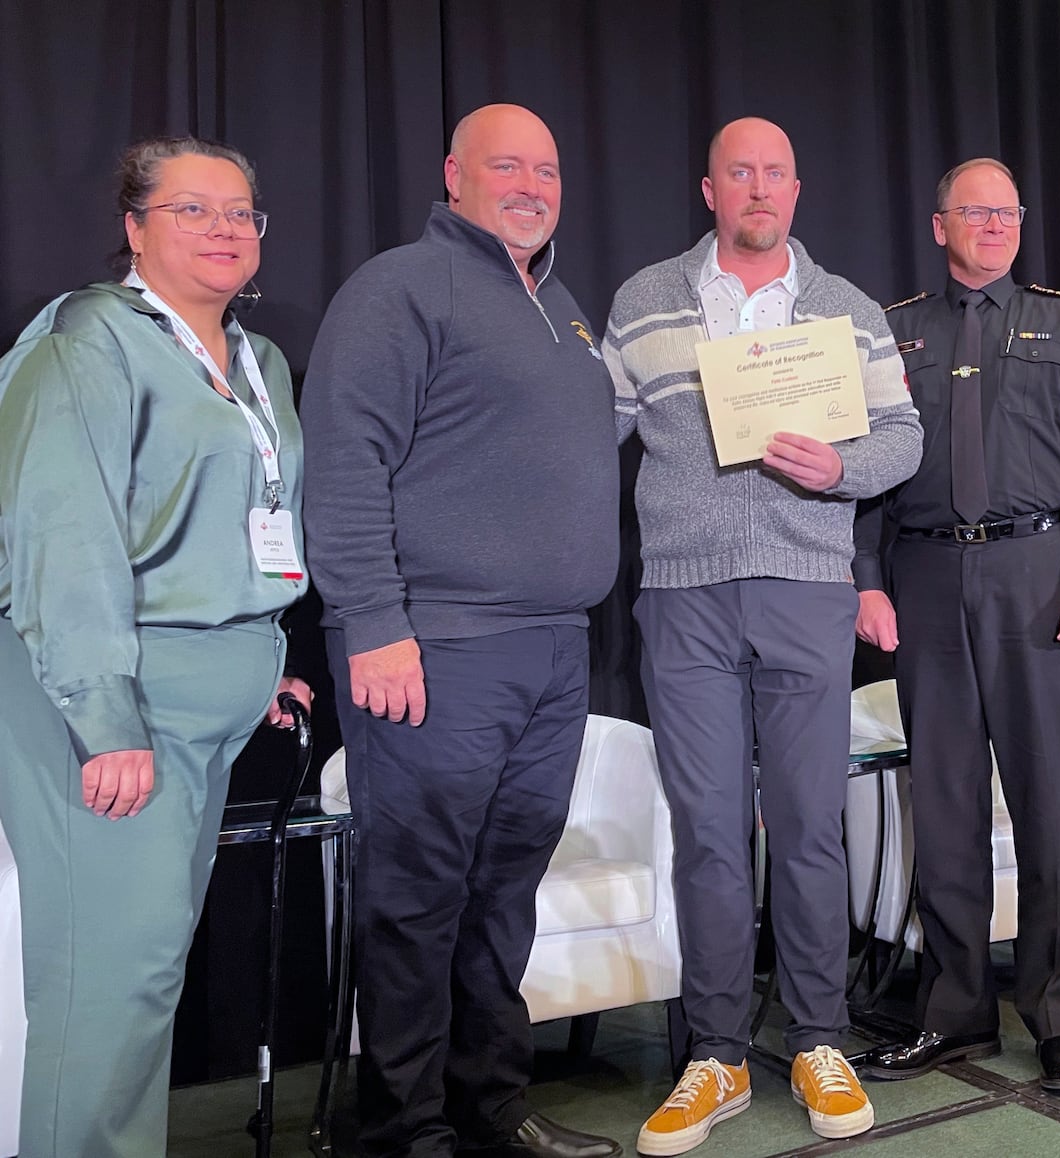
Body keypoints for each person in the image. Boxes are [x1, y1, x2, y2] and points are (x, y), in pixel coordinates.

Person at [300, 104, 622, 1158]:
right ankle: (404, 1133)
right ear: (452, 173)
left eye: (547, 165)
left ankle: (490, 1111)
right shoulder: (398, 289)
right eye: (506, 165)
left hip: (552, 651)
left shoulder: (563, 307)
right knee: (418, 900)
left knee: (502, 897)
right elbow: (343, 467)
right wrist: (372, 624)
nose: (531, 183)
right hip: (436, 649)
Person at [603, 116, 922, 1155]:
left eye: (774, 172)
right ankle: (716, 1054)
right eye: (737, 171)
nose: (757, 188)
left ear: (795, 189)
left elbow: (903, 436)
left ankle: (820, 1037)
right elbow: (587, 428)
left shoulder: (847, 310)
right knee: (705, 829)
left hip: (806, 588)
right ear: (708, 189)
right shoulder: (646, 300)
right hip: (683, 595)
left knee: (808, 824)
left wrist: (844, 471)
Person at [0, 136, 311, 1158]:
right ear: (134, 227)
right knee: (108, 982)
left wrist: (263, 665)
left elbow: (242, 525)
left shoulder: (256, 361)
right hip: (114, 706)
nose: (225, 229)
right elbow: (63, 538)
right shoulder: (89, 342)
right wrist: (106, 721)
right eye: (193, 209)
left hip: (208, 702)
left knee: (146, 978)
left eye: (241, 212)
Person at [853, 160, 1060, 1093]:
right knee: (942, 805)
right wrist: (866, 581)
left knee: (1052, 806)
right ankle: (955, 1013)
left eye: (1008, 212)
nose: (994, 225)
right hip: (927, 578)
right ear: (940, 225)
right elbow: (860, 472)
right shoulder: (892, 333)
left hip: (1042, 577)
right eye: (975, 212)